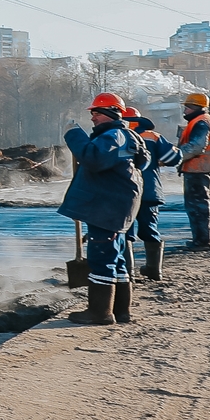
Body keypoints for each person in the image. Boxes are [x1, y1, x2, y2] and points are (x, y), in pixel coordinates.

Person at [60, 92, 146, 325]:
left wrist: (73, 134)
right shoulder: (125, 137)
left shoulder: (114, 135)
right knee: (116, 259)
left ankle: (100, 312)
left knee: (101, 258)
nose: (93, 118)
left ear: (111, 112)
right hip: (115, 206)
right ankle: (121, 311)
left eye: (97, 113)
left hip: (107, 207)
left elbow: (93, 158)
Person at [121, 107, 177, 281]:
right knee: (150, 229)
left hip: (125, 192)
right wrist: (155, 162)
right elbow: (174, 158)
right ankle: (154, 271)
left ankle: (128, 273)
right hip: (149, 190)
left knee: (125, 232)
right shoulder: (152, 136)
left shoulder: (116, 136)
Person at [172, 91, 210, 253]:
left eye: (187, 107)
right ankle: (206, 239)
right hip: (207, 168)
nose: (185, 111)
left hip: (198, 169)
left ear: (196, 107)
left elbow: (196, 146)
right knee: (206, 204)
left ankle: (202, 241)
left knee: (198, 207)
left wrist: (175, 156)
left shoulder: (200, 123)